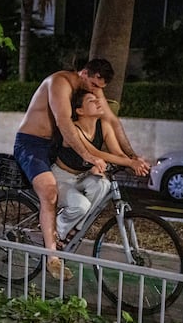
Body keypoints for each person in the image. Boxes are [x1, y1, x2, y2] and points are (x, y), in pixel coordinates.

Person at [13, 59, 149, 279]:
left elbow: (112, 121)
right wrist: (88, 155)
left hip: (55, 145)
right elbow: (64, 122)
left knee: (98, 186)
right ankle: (52, 259)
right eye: (94, 85)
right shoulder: (59, 82)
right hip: (32, 143)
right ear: (84, 73)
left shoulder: (92, 89)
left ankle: (64, 231)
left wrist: (133, 157)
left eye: (100, 88)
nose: (97, 92)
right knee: (49, 191)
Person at [53, 90, 146, 244]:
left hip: (82, 176)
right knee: (81, 206)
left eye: (97, 99)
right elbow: (95, 152)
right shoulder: (74, 130)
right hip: (61, 177)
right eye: (91, 100)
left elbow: (117, 152)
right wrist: (130, 163)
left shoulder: (103, 125)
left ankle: (76, 229)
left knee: (103, 184)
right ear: (79, 111)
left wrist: (136, 164)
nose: (98, 102)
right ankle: (56, 233)